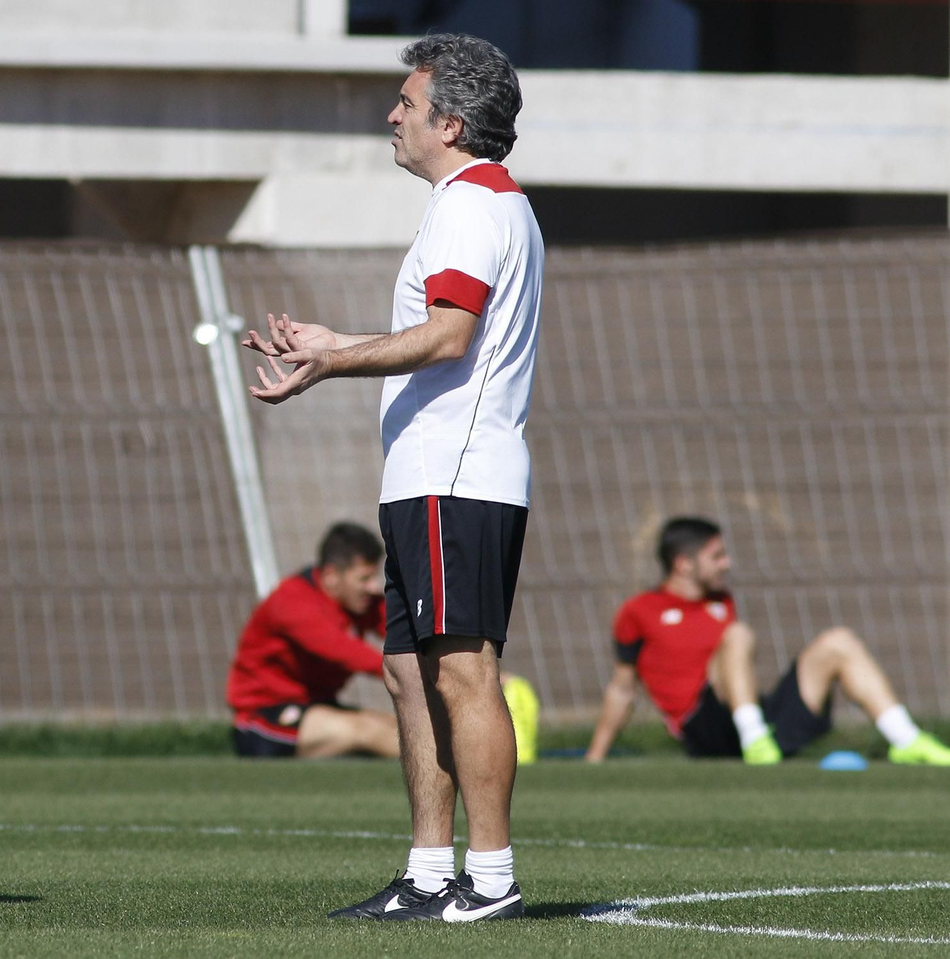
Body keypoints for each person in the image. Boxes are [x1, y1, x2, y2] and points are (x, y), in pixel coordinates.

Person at [245, 34, 541, 922]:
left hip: (458, 472)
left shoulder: (472, 204)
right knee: (409, 671)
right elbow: (444, 336)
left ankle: (488, 880)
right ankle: (426, 871)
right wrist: (336, 344)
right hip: (429, 473)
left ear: (450, 122)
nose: (393, 116)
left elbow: (450, 334)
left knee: (462, 671)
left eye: (407, 104)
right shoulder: (475, 203)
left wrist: (334, 366)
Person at [587, 516, 950, 767]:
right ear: (683, 564)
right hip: (704, 729)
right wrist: (596, 756)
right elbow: (622, 688)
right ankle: (754, 740)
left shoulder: (721, 601)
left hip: (751, 713)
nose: (726, 564)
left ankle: (906, 740)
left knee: (838, 642)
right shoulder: (638, 611)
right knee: (738, 634)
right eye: (717, 556)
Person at [227, 522, 541, 764]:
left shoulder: (359, 603)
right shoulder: (292, 602)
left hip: (317, 708)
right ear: (332, 575)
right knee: (370, 729)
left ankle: (484, 753)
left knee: (397, 725)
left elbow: (412, 632)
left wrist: (477, 670)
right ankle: (482, 759)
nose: (373, 586)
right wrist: (454, 677)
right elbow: (354, 656)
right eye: (363, 578)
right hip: (263, 719)